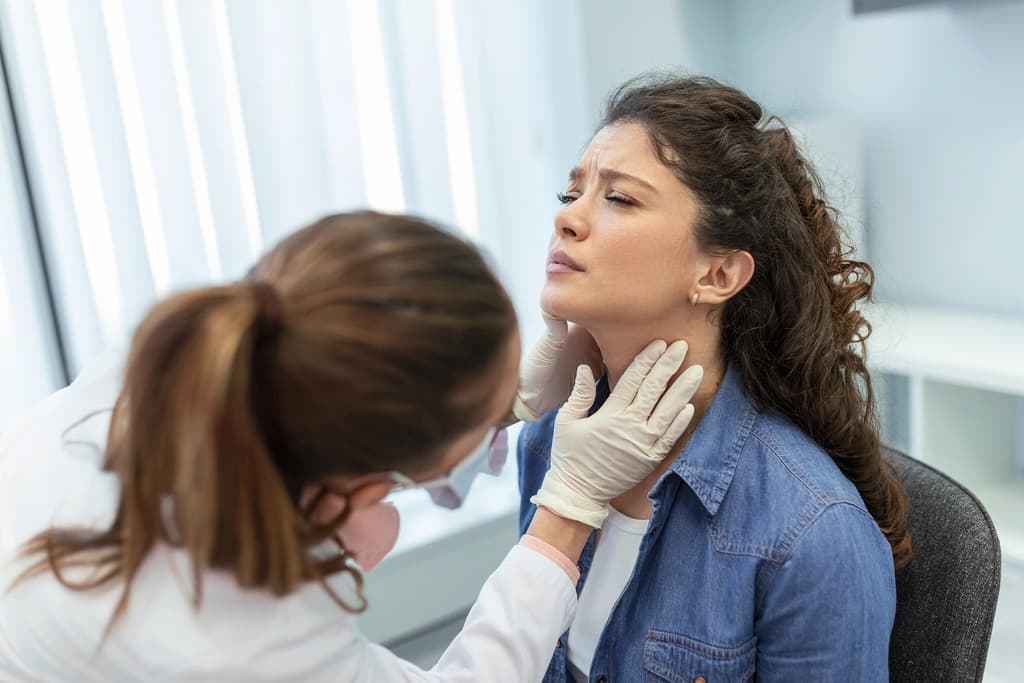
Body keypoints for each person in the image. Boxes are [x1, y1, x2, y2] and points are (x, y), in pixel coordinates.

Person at [0, 211, 704, 682]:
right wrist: (569, 508)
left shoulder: (179, 368)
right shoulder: (244, 637)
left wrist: (497, 407)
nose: (571, 217)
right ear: (370, 475)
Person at [516, 75, 911, 681]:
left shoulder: (812, 531)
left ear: (720, 274)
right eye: (569, 194)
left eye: (619, 198)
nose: (567, 219)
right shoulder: (549, 441)